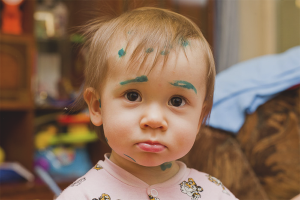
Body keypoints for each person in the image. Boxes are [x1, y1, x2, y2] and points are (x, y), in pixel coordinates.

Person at [56, 7, 238, 200]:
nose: (154, 120)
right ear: (96, 106)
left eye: (177, 101)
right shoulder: (80, 196)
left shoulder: (214, 193)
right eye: (132, 96)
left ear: (200, 117)